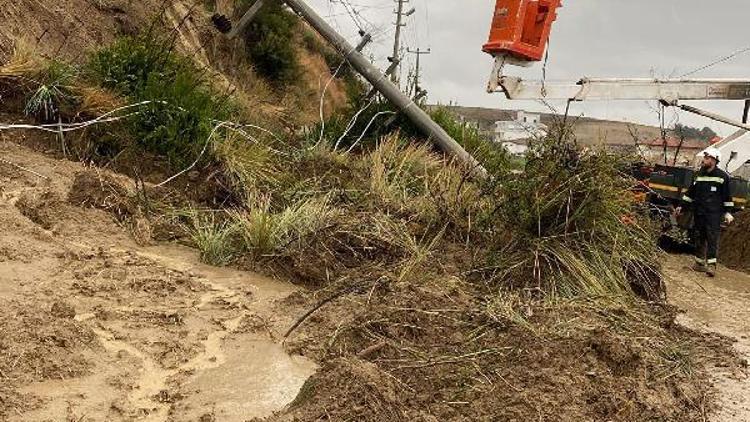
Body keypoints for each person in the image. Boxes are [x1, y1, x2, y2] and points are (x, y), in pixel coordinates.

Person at [675, 147, 735, 277]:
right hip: (700, 212)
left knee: (712, 238)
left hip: (714, 214)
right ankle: (699, 264)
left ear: (714, 160)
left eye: (707, 158)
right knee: (699, 237)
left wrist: (728, 212)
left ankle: (712, 266)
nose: (704, 160)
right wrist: (681, 206)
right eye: (704, 157)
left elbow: (727, 197)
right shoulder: (699, 175)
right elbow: (690, 193)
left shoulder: (722, 176)